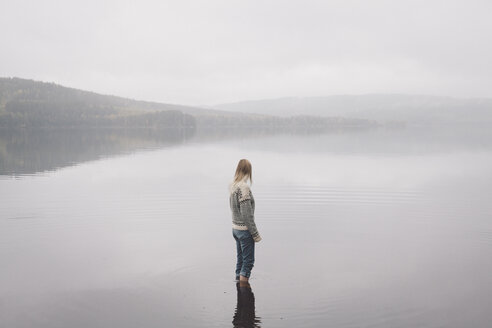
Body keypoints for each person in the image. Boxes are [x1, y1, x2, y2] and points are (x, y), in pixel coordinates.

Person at [229, 159, 261, 282]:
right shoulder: (244, 188)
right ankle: (243, 291)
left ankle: (239, 288)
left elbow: (233, 209)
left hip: (235, 229)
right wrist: (255, 234)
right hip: (244, 230)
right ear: (248, 171)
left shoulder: (233, 186)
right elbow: (247, 214)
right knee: (248, 263)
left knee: (240, 261)